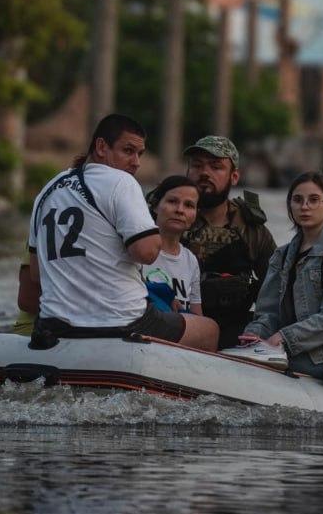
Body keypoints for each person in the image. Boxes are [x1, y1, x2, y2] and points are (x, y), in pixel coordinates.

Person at [22, 114, 218, 351]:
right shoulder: (120, 182)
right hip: (122, 322)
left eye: (140, 154)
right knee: (209, 329)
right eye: (128, 151)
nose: (136, 162)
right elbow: (146, 252)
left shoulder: (48, 190)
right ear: (102, 147)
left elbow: (36, 273)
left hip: (53, 325)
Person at [241, 172, 323, 380]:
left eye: (314, 200)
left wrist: (284, 337)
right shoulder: (281, 255)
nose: (305, 206)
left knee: (253, 370)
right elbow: (268, 312)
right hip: (285, 347)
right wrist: (255, 334)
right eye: (298, 200)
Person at [181, 135, 277, 348]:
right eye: (197, 165)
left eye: (216, 167)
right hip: (179, 326)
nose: (204, 173)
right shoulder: (170, 218)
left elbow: (276, 287)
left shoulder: (253, 230)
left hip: (236, 332)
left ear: (234, 177)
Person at [142, 175, 205, 316]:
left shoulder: (191, 260)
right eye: (172, 201)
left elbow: (197, 316)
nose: (180, 210)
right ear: (156, 206)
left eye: (189, 205)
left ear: (195, 215)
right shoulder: (137, 249)